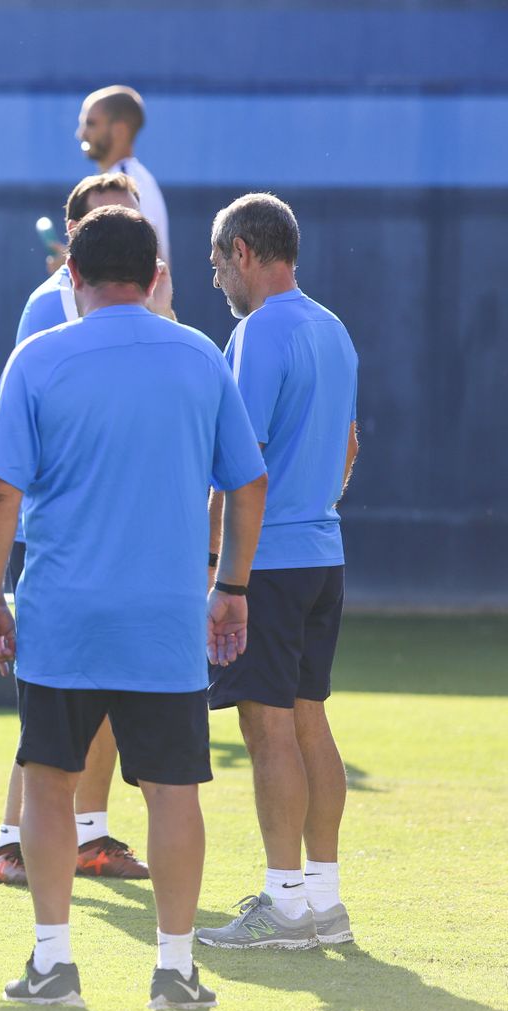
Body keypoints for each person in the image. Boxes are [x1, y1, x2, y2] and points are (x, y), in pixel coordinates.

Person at [0, 206, 267, 1009]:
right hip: (165, 621)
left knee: (47, 784)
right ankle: (175, 971)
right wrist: (231, 587)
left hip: (63, 616)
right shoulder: (202, 357)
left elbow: (0, 495)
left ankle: (53, 965)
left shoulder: (37, 359)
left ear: (71, 276)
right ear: (153, 276)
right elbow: (247, 484)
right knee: (173, 793)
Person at [0, 172, 173, 888]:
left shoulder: (145, 305)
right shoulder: (47, 310)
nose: (115, 227)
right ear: (73, 241)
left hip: (116, 530)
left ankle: (87, 835)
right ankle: (11, 843)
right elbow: (29, 442)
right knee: (53, 698)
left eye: (124, 217)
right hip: (56, 532)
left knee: (102, 694)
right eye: (102, 218)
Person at [196, 193, 361, 951]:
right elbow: (350, 449)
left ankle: (285, 904)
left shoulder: (257, 333)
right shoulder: (333, 329)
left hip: (267, 563)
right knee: (307, 720)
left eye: (217, 260)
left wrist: (216, 570)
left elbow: (240, 467)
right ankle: (321, 901)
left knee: (269, 732)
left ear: (243, 252)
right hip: (322, 556)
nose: (215, 276)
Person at [74, 85, 170, 268]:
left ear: (120, 130)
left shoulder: (129, 184)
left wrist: (76, 265)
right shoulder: (122, 178)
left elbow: (152, 258)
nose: (81, 134)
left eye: (91, 124)